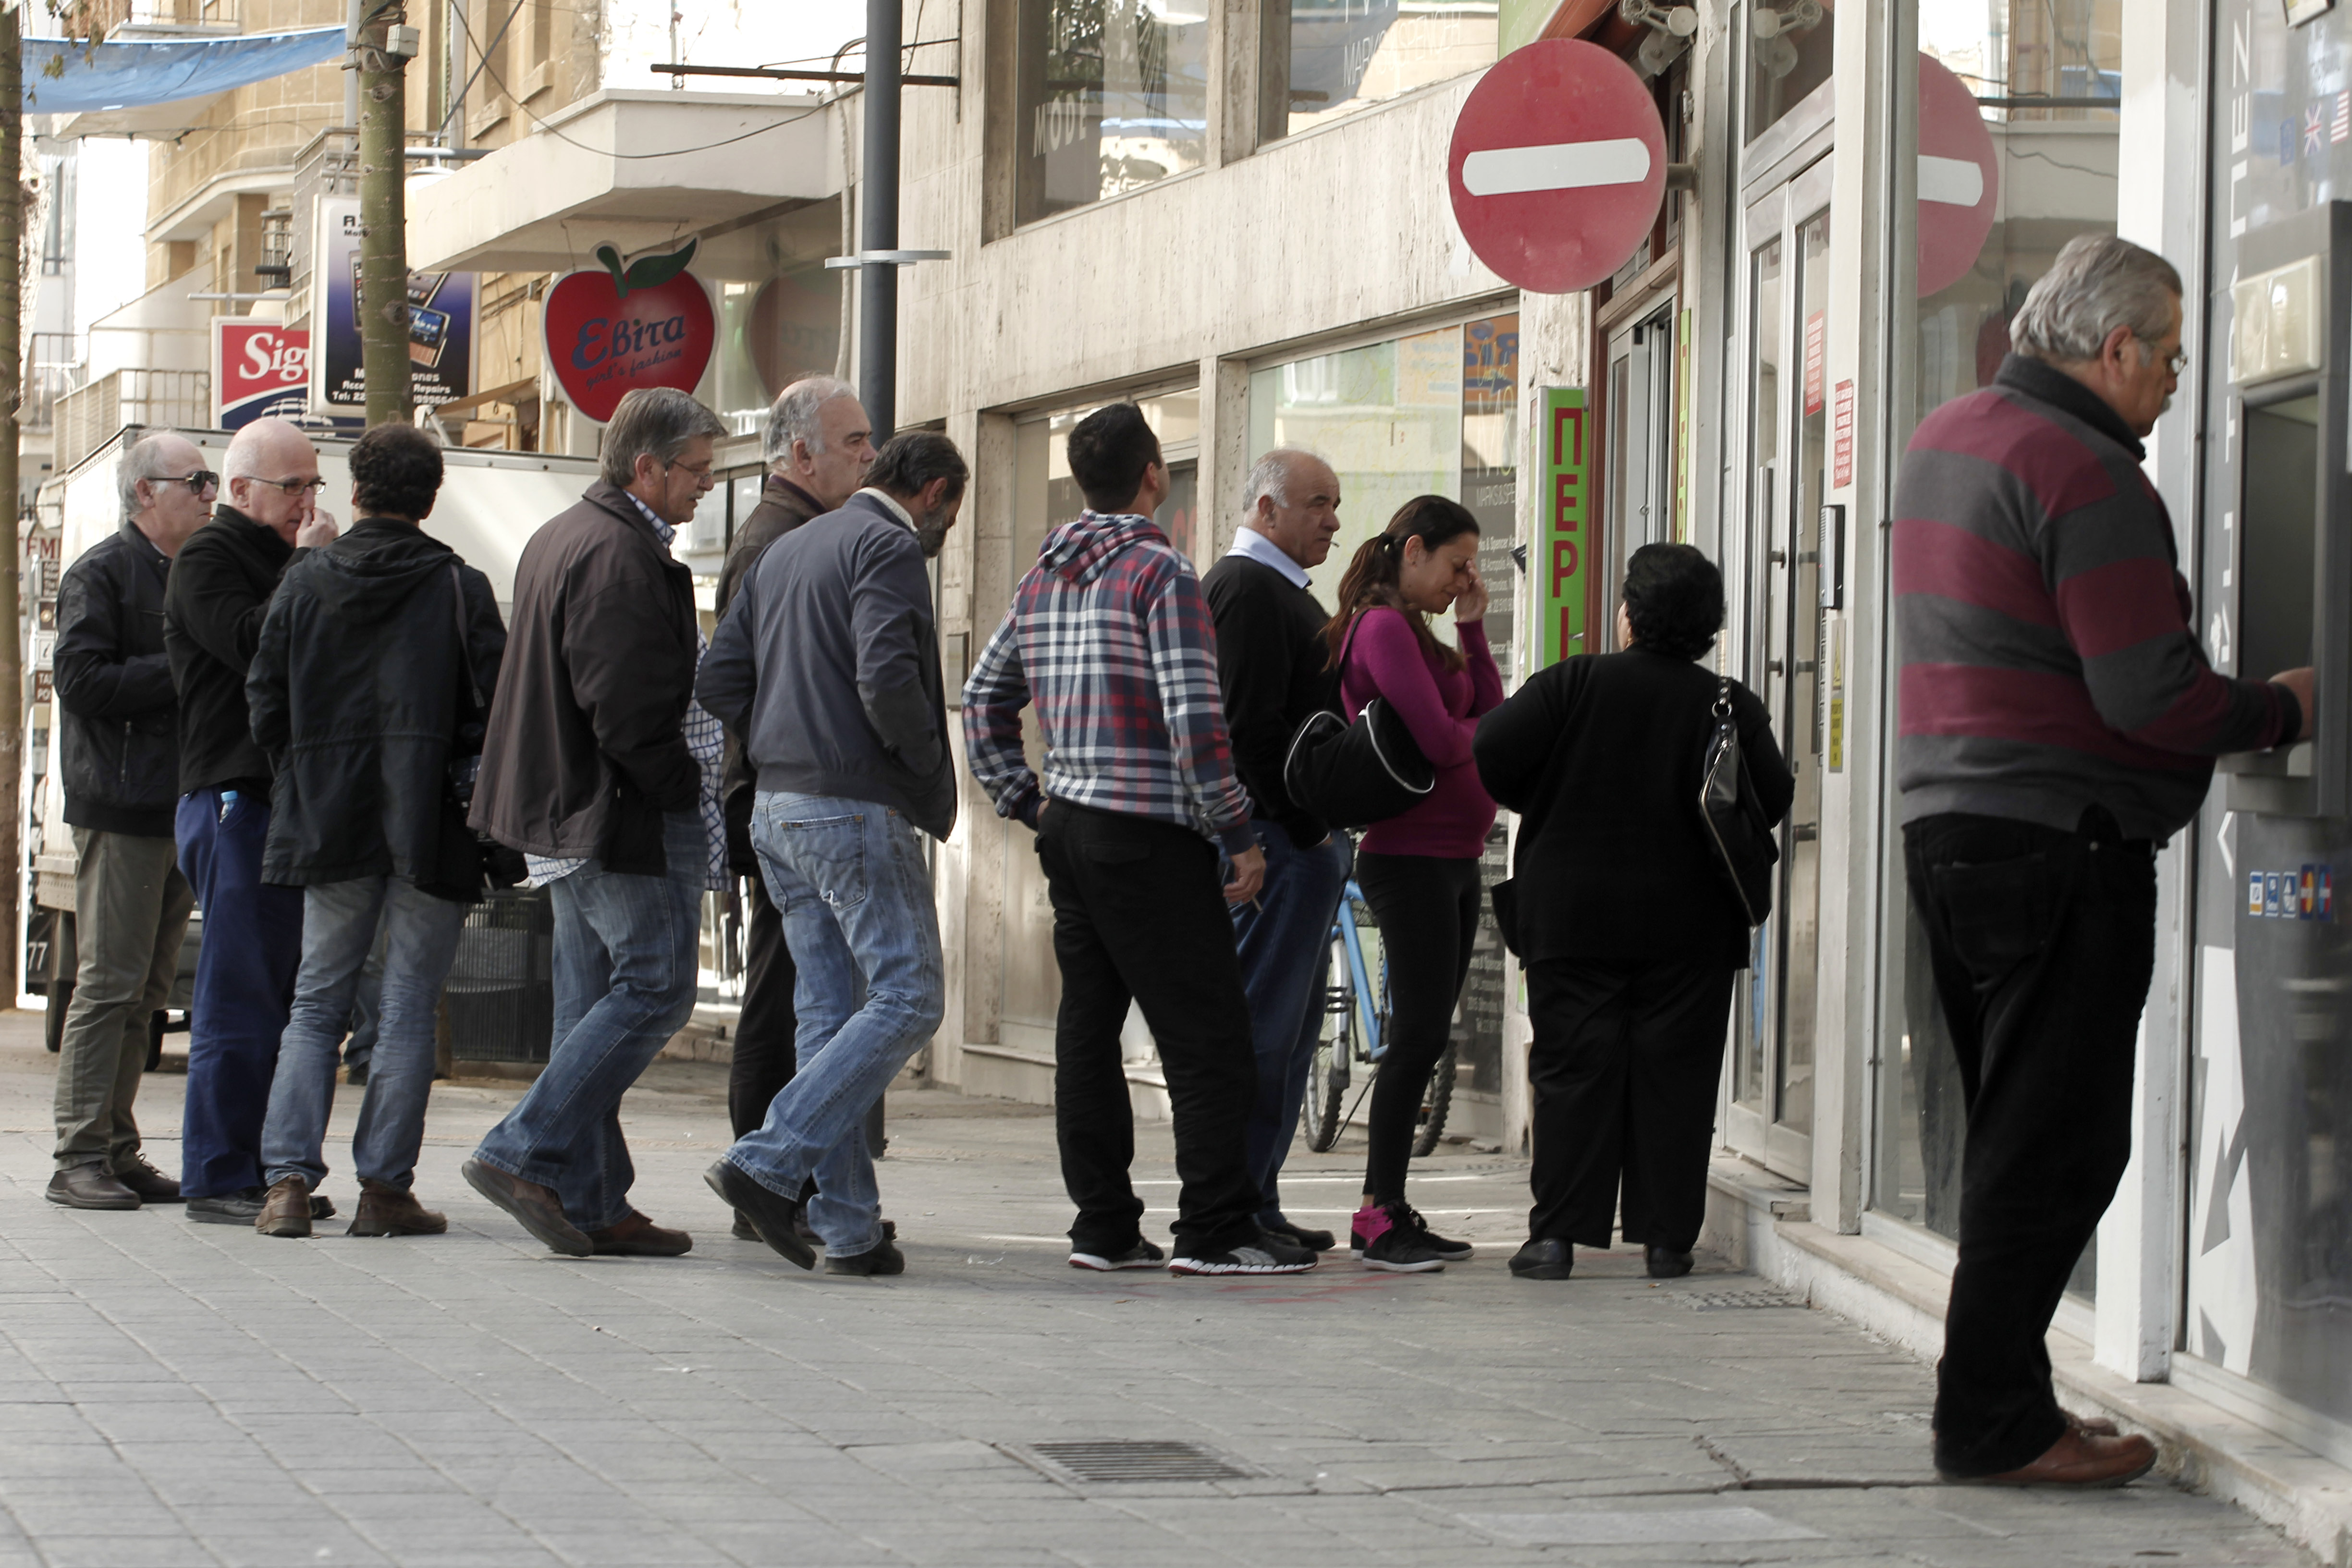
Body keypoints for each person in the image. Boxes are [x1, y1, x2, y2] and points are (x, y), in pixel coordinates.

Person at [1894, 234, 2311, 1487]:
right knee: (2059, 1144)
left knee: (2016, 1134)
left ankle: (2008, 1408)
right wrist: (2285, 708)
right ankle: (1994, 1424)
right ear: (2115, 346)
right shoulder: (2087, 474)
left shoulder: (1946, 439)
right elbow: (2149, 695)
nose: (2178, 378)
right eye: (2171, 354)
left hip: (1950, 831)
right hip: (2060, 841)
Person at [964, 403, 1311, 1277]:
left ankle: (1105, 1227)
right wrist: (1238, 833)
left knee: (1089, 1030)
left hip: (1072, 829)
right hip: (1149, 833)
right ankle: (1215, 1228)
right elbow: (1198, 724)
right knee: (1208, 1035)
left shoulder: (1045, 575)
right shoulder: (1162, 574)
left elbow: (982, 697)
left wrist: (1025, 797)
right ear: (1153, 475)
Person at [1473, 544, 1792, 1284]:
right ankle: (1665, 1241)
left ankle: (1556, 1237)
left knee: (1571, 1069)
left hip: (1572, 915)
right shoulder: (1728, 703)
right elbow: (1771, 800)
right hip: (1691, 924)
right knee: (1675, 1077)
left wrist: (1550, 798)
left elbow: (1493, 750)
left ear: (1631, 613)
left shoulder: (1573, 683)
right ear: (1708, 624)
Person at [462, 387, 727, 1259]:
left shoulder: (569, 534)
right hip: (608, 811)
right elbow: (624, 708)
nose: (705, 489)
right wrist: (680, 784)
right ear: (646, 467)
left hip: (567, 809)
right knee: (655, 987)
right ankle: (520, 1152)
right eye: (696, 472)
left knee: (587, 1007)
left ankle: (590, 1197)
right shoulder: (617, 553)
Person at [698, 431, 966, 1275]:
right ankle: (768, 1160)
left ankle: (849, 1225)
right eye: (949, 517)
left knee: (828, 1012)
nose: (943, 535)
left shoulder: (791, 546)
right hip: (851, 804)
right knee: (910, 996)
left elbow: (717, 681)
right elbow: (888, 676)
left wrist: (780, 736)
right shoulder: (886, 545)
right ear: (932, 491)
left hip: (776, 805)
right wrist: (919, 762)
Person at [245, 424, 507, 1240]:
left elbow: (264, 700)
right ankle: (384, 1189)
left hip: (328, 817)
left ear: (354, 493)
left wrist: (305, 776)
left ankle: (287, 1182)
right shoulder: (460, 589)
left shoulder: (305, 581)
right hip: (429, 821)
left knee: (317, 1001)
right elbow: (494, 714)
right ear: (431, 500)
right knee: (405, 1006)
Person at [163, 416, 339, 1224]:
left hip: (290, 801)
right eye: (292, 486)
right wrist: (307, 565)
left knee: (284, 995)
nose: (308, 500)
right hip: (233, 797)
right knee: (238, 996)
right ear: (240, 491)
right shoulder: (209, 556)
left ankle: (272, 1168)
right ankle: (217, 1174)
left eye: (314, 484)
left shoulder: (286, 558)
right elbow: (253, 643)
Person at [714, 378, 875, 1241]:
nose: (869, 457)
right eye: (855, 442)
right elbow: (732, 678)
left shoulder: (802, 532)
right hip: (788, 797)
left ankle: (790, 1179)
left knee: (813, 994)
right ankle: (765, 1172)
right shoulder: (780, 539)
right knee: (790, 994)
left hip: (783, 790)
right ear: (801, 453)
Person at [1326, 496, 1503, 1272]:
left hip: (1455, 856)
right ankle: (1375, 1214)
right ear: (1415, 550)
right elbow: (1439, 739)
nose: (1467, 576)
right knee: (1416, 1037)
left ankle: (1392, 1204)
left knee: (1428, 1034)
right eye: (1458, 563)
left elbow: (1492, 720)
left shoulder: (1429, 636)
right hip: (1410, 857)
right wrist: (1474, 740)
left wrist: (1472, 627)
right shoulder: (1382, 627)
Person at [45, 431, 209, 1210]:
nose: (209, 496)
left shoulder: (183, 574)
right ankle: (78, 1154)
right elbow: (79, 682)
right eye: (197, 483)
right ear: (147, 492)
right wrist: (183, 664)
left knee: (146, 989)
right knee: (110, 985)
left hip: (176, 803)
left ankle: (115, 1147)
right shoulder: (102, 573)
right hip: (122, 806)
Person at [1200, 448, 1351, 1253]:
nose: (1333, 520)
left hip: (1288, 841)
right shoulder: (1248, 590)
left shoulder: (1278, 590)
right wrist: (1299, 830)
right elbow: (1244, 729)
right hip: (1270, 843)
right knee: (1263, 1030)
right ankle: (1235, 1206)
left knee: (1290, 1036)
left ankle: (1257, 1197)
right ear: (1266, 508)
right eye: (1318, 504)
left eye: (1335, 505)